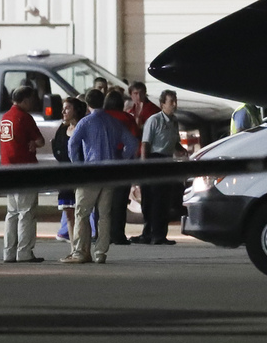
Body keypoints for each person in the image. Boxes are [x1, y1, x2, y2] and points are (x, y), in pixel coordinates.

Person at [62, 88, 139, 264]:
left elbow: (72, 144)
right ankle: (100, 253)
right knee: (105, 214)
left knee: (82, 212)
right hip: (110, 172)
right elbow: (132, 143)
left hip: (90, 171)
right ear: (103, 102)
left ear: (87, 104)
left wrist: (77, 165)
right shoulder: (114, 122)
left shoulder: (85, 122)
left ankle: (81, 252)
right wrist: (120, 157)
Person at [133, 90, 188, 245]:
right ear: (162, 104)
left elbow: (174, 140)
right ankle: (152, 233)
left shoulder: (174, 121)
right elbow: (145, 144)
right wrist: (145, 166)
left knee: (164, 199)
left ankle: (159, 233)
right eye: (171, 102)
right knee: (153, 199)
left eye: (175, 101)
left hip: (167, 159)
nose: (174, 105)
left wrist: (180, 149)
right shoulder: (154, 120)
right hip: (154, 158)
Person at [0, 86, 46, 263]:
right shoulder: (24, 118)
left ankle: (8, 252)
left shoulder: (6, 118)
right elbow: (40, 141)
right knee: (26, 212)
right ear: (25, 100)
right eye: (31, 99)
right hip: (25, 169)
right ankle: (24, 252)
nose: (33, 103)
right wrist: (34, 143)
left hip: (7, 170)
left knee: (12, 213)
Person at [103, 89, 138, 245]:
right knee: (120, 202)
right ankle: (118, 235)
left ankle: (103, 234)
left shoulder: (101, 118)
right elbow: (133, 141)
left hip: (102, 162)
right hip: (122, 164)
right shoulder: (127, 118)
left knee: (103, 202)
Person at [51, 97, 87, 243]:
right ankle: (73, 247)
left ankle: (82, 247)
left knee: (81, 214)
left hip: (80, 177)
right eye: (63, 109)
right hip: (65, 177)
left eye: (67, 108)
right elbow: (58, 149)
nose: (63, 111)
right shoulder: (62, 129)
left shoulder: (83, 128)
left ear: (76, 110)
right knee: (69, 215)